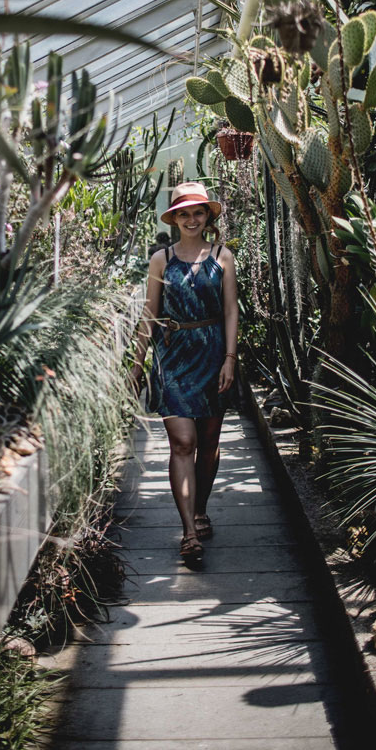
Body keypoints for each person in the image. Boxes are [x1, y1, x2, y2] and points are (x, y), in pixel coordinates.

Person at [130, 181, 238, 562]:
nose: (191, 219)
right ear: (174, 218)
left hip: (211, 355)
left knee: (208, 445)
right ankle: (189, 532)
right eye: (184, 213)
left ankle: (201, 508)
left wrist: (230, 358)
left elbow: (230, 311)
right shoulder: (162, 259)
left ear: (207, 216)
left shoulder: (223, 256)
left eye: (198, 212)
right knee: (182, 443)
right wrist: (138, 361)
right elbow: (149, 313)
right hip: (172, 356)